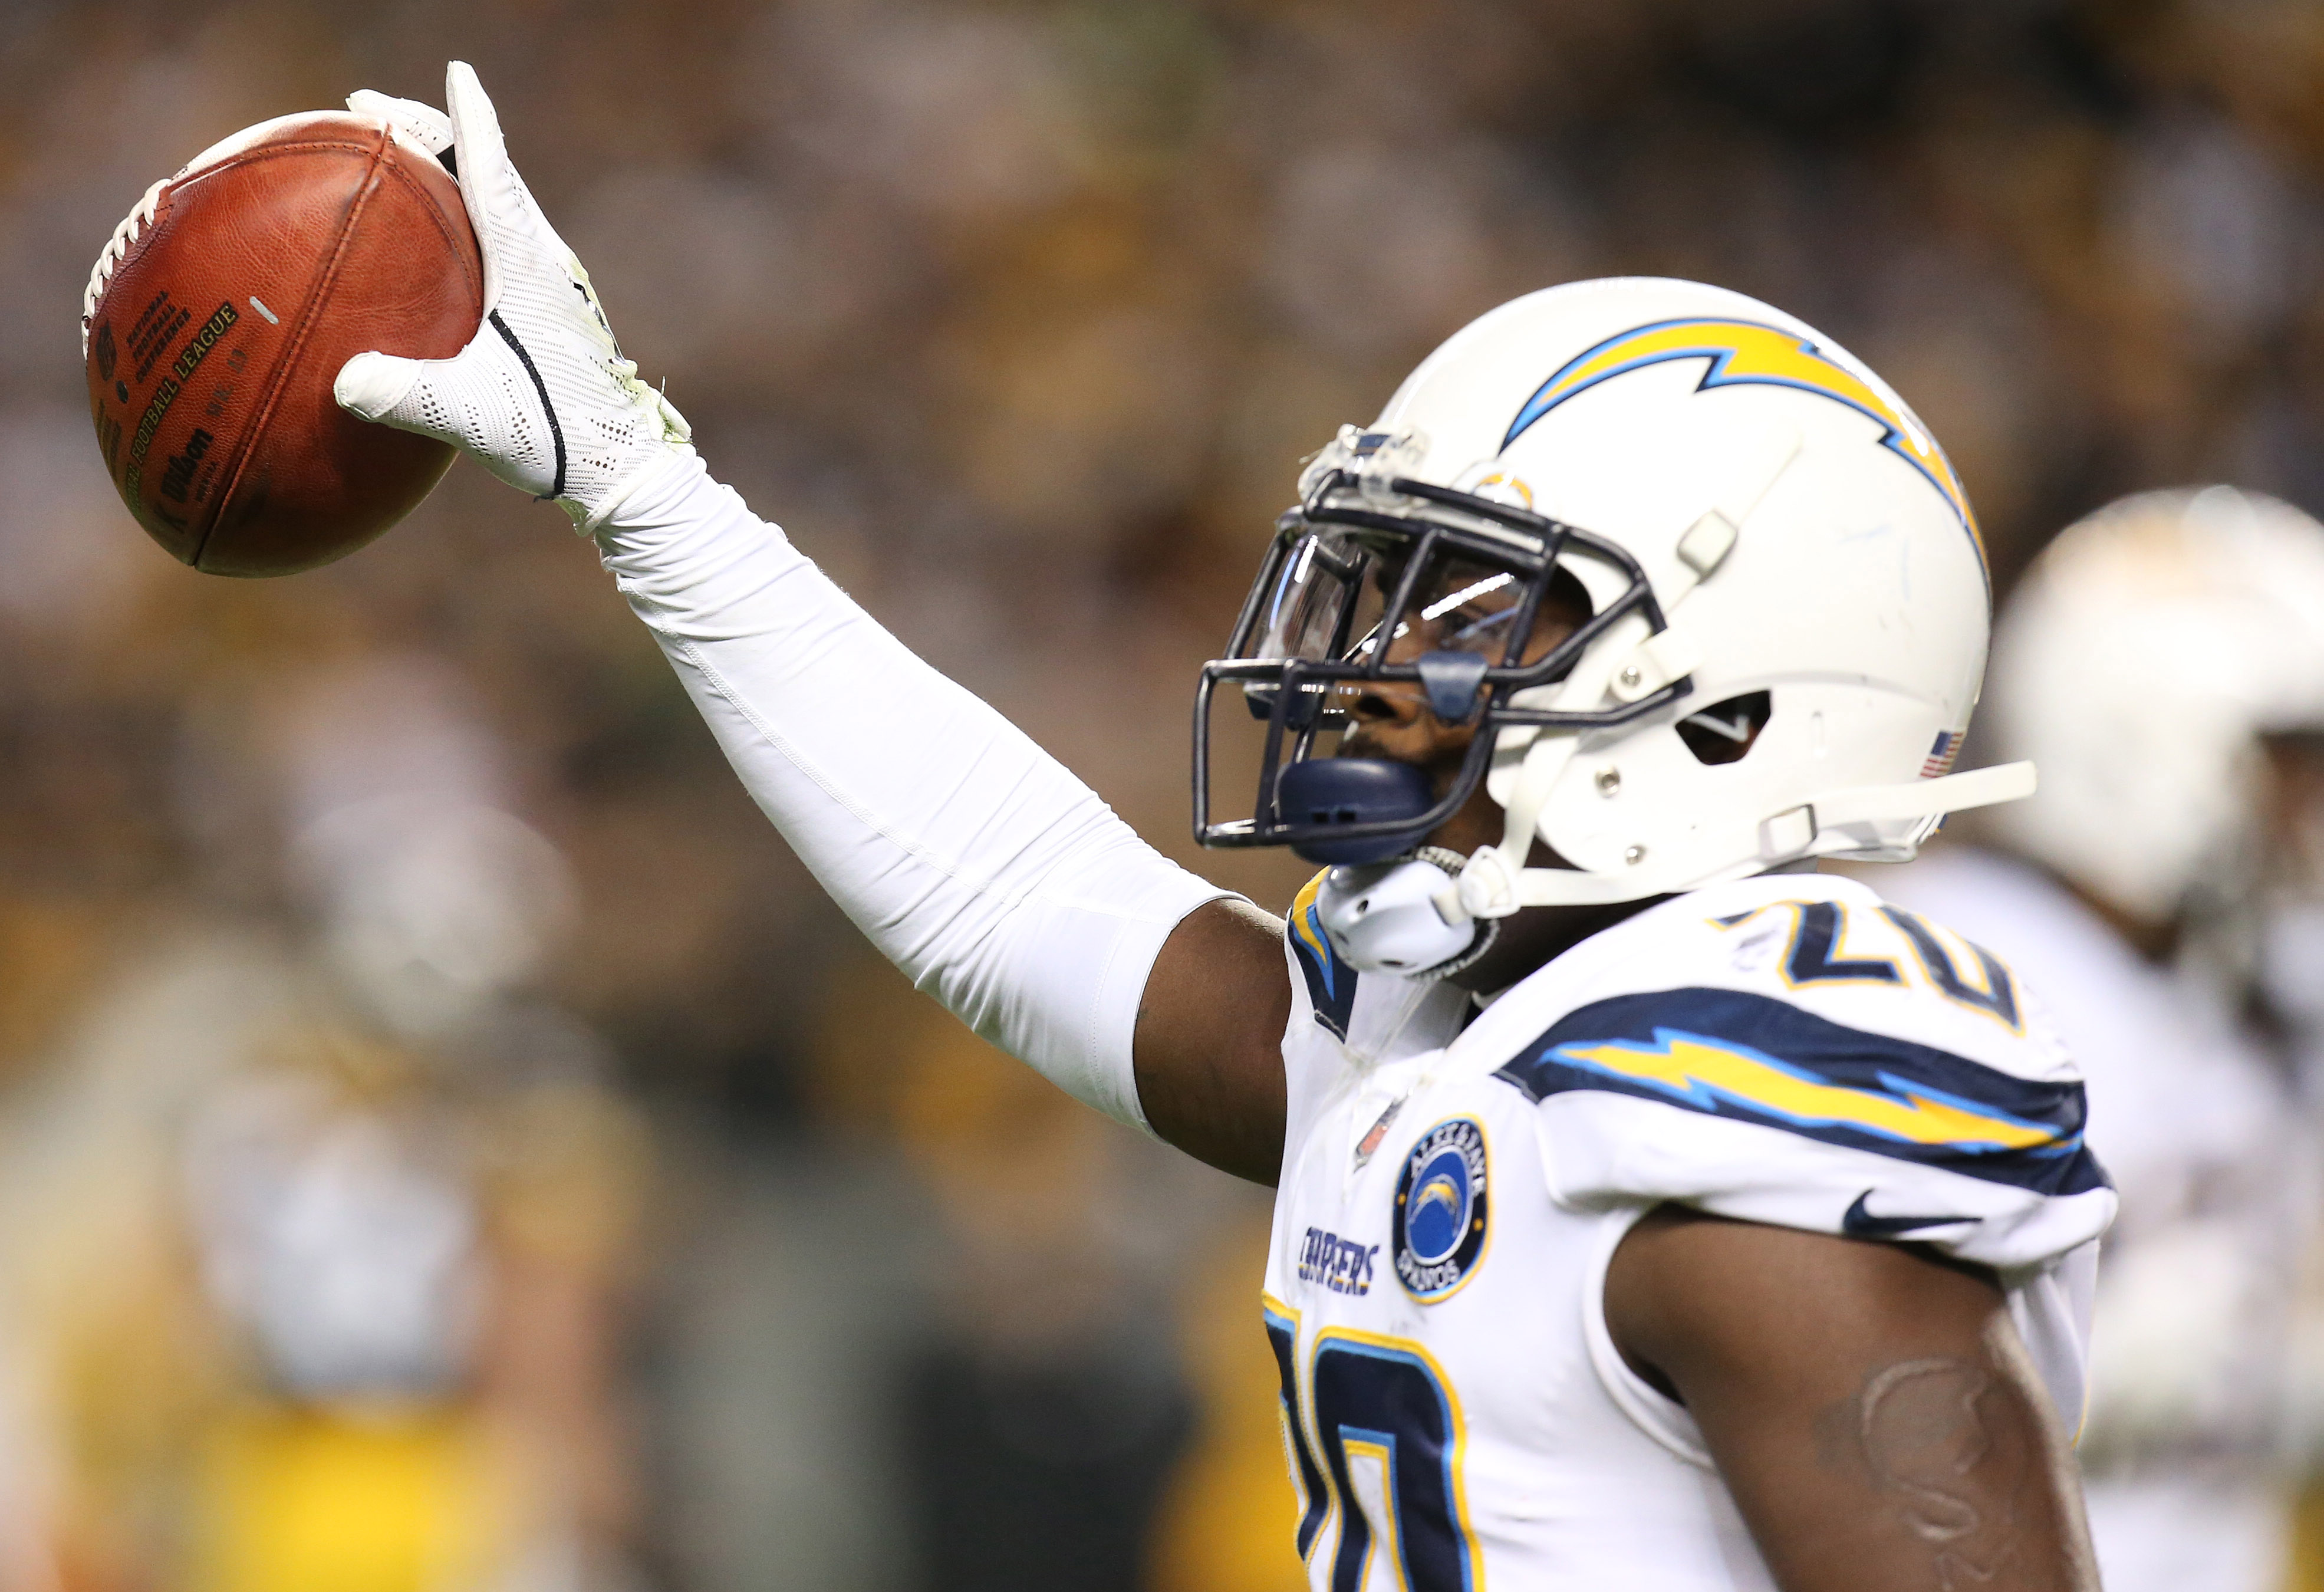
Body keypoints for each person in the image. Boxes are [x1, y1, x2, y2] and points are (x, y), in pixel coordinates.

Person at [324, 63, 2115, 1591]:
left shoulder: (1730, 1112)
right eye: (1378, 582)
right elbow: (1019, 895)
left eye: (1468, 607)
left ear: (1728, 694)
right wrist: (643, 490)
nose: (1363, 665)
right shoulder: (1458, 1027)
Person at [1881, 488, 2324, 1592]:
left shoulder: (2261, 975)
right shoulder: (1951, 982)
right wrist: (2104, 1369)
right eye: (2286, 759)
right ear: (2144, 739)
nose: (2307, 804)